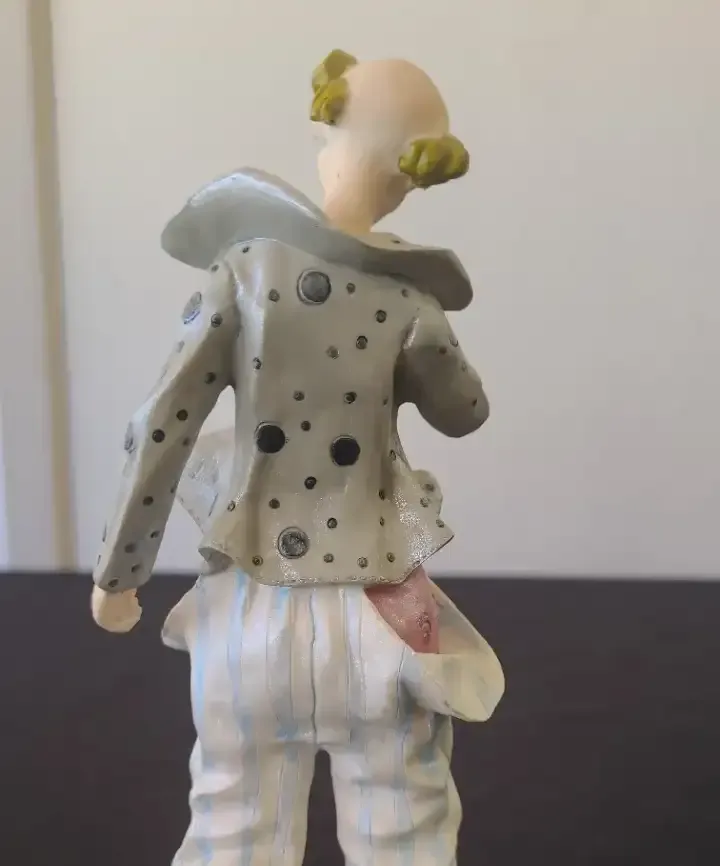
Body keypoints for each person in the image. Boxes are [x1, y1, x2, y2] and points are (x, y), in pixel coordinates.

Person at [91, 49, 504, 866]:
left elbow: (162, 424)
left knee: (233, 825)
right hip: (382, 609)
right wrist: (428, 340)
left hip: (249, 610)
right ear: (414, 176)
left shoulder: (243, 273)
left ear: (330, 140)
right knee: (404, 831)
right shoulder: (411, 300)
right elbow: (466, 414)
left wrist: (120, 570)